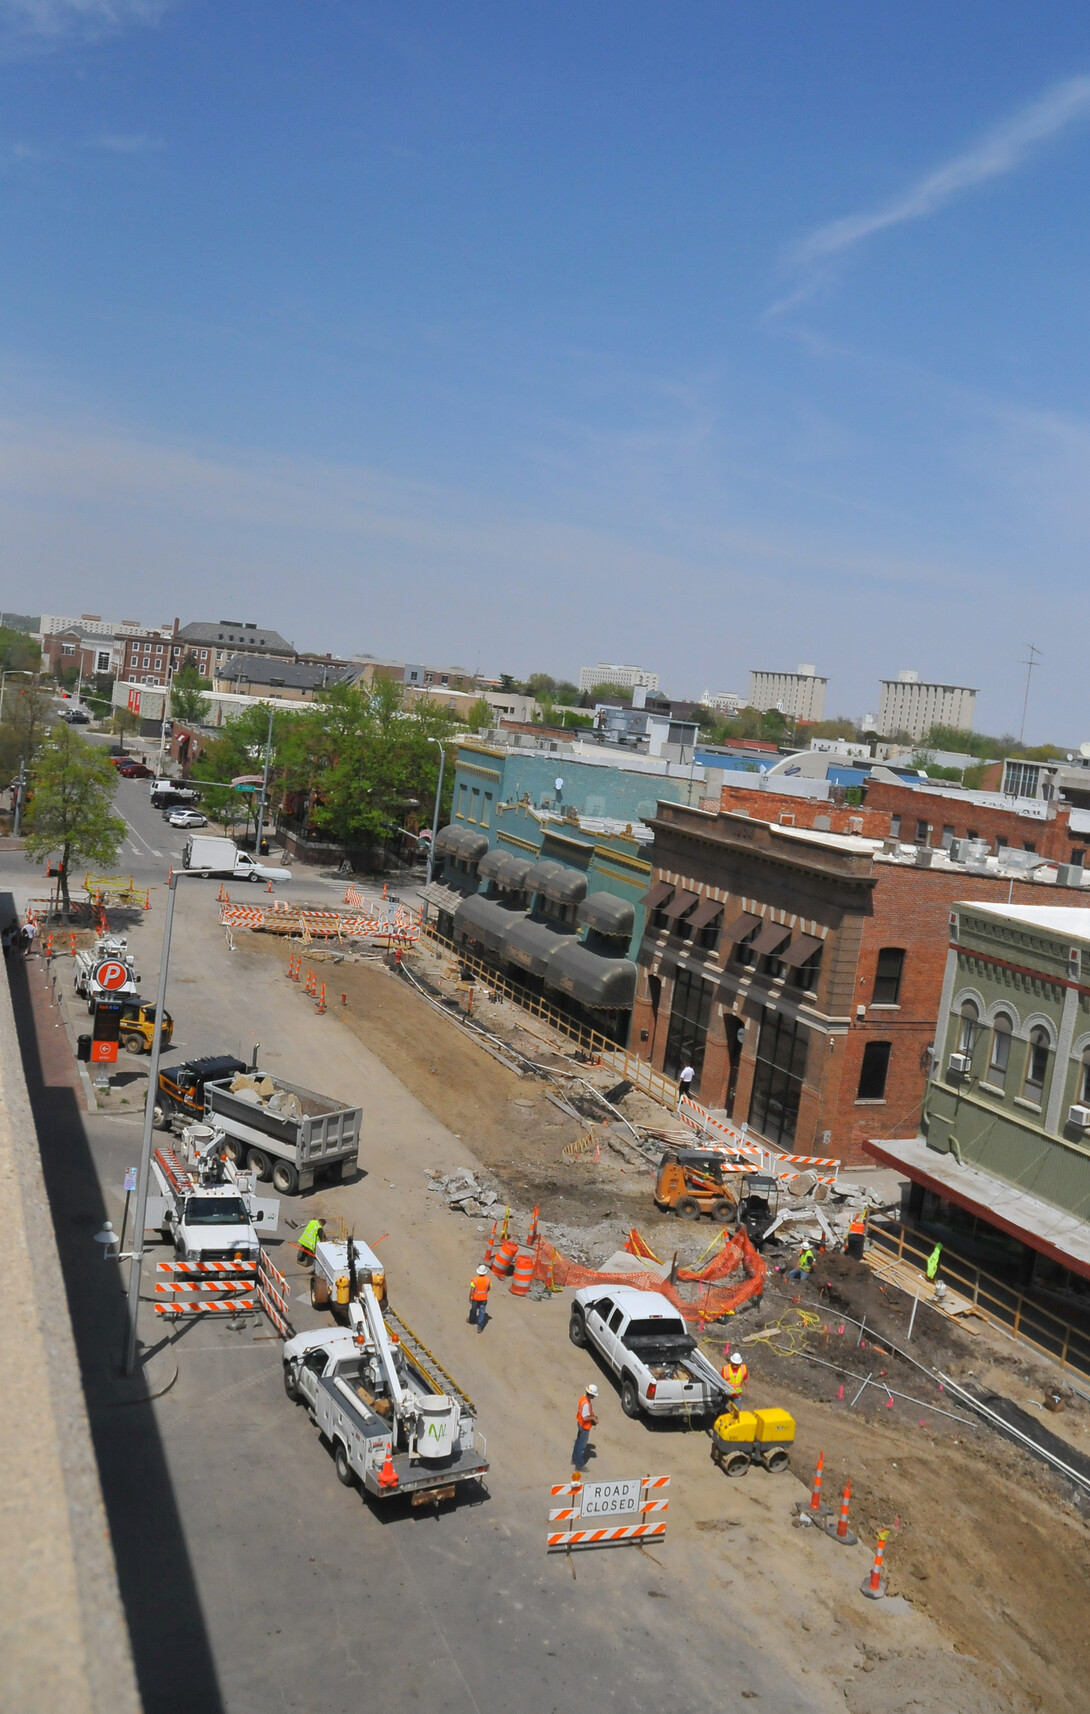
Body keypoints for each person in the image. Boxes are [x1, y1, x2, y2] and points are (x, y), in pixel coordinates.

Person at [572, 1384, 598, 1473]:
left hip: (579, 1423)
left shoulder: (583, 1398)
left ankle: (574, 1459)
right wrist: (593, 1418)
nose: (594, 1397)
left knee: (578, 1442)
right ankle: (579, 1465)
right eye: (594, 1395)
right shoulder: (586, 1404)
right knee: (581, 1447)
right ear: (591, 1394)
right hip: (584, 1426)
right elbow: (585, 1418)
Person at [468, 1264, 491, 1331]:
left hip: (475, 1298)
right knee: (482, 1312)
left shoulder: (475, 1280)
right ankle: (480, 1327)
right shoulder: (488, 1280)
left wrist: (470, 1297)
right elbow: (489, 1288)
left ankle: (472, 1320)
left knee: (473, 1310)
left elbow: (472, 1290)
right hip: (484, 1298)